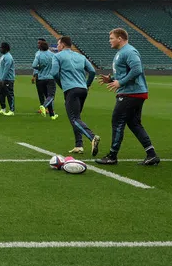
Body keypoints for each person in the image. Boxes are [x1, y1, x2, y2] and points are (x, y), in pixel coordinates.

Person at [96, 28, 159, 166]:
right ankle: (151, 154)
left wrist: (120, 82)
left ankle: (112, 156)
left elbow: (137, 70)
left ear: (120, 38)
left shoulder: (129, 51)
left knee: (117, 121)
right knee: (134, 123)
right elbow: (126, 72)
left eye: (111, 38)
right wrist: (112, 79)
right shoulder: (121, 52)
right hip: (132, 92)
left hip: (131, 93)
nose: (109, 41)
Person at [53, 36, 99, 156]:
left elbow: (54, 73)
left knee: (74, 118)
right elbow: (93, 71)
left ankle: (92, 137)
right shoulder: (80, 56)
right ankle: (79, 145)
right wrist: (87, 84)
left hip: (71, 89)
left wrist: (62, 85)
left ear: (62, 45)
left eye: (58, 44)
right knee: (77, 117)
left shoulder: (57, 56)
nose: (57, 47)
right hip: (83, 89)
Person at [32, 38, 58, 119]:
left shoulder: (38, 55)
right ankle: (43, 106)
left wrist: (40, 68)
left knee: (46, 95)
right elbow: (56, 65)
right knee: (51, 96)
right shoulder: (52, 55)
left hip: (41, 78)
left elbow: (34, 65)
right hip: (50, 78)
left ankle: (52, 115)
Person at [0, 42, 16, 116]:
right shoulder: (3, 56)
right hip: (2, 79)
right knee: (1, 94)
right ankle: (3, 109)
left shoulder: (8, 57)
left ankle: (11, 110)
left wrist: (2, 79)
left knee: (9, 94)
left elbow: (6, 69)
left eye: (1, 48)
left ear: (5, 48)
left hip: (8, 79)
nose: (0, 49)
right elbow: (1, 68)